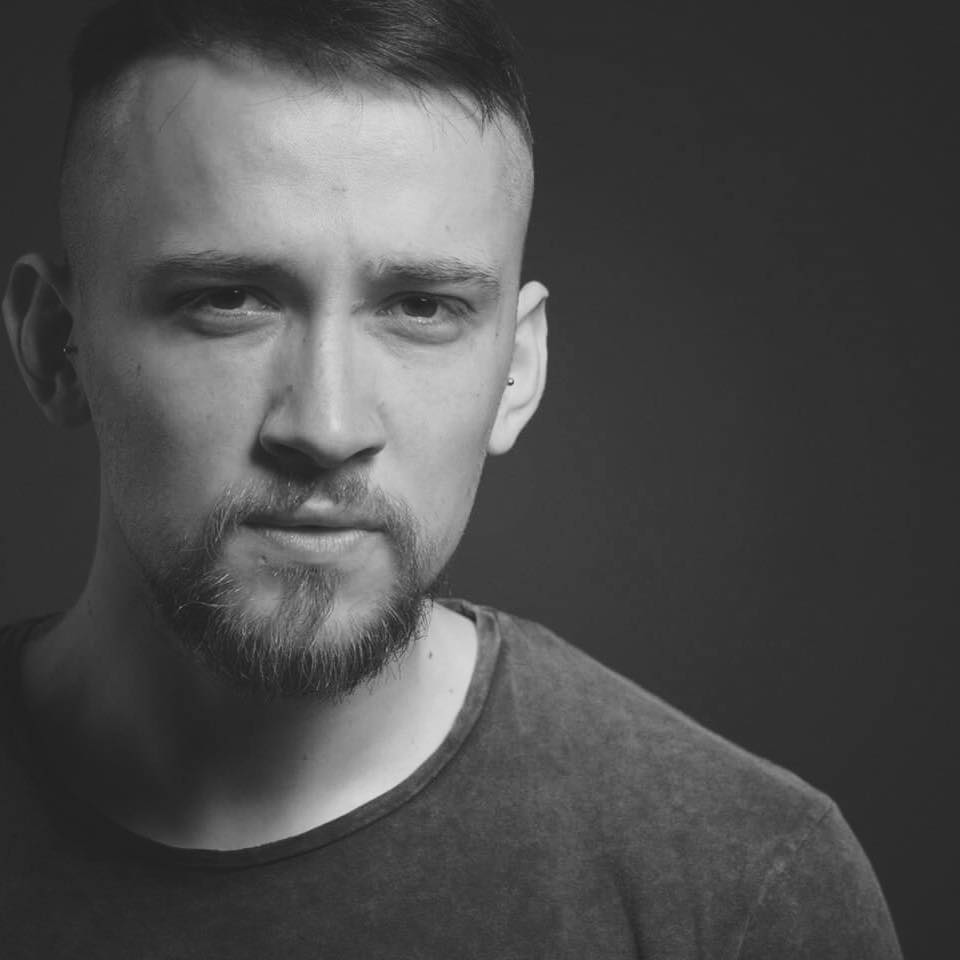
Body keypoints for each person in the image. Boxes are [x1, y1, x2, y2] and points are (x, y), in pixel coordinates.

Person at [0, 0, 902, 956]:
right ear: (56, 346)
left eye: (421, 307)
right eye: (228, 299)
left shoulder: (748, 890)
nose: (328, 427)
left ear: (518, 370)